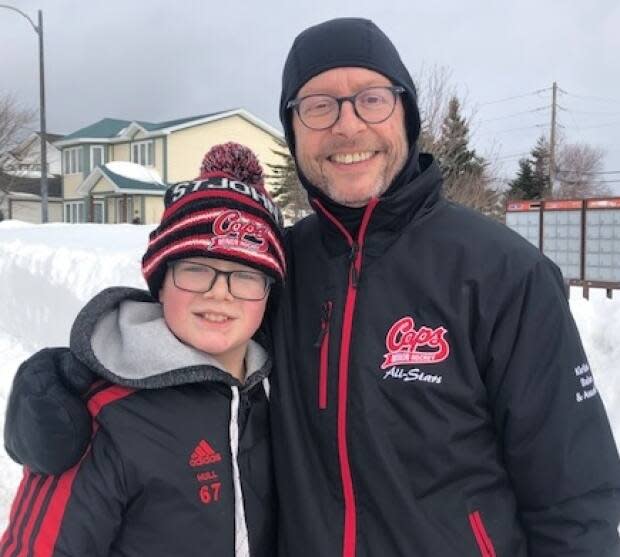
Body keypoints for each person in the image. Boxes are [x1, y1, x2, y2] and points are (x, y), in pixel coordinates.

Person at [4, 17, 620, 557]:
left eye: (371, 100)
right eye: (318, 106)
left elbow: (576, 495)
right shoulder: (277, 267)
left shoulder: (503, 273)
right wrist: (71, 380)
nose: (347, 126)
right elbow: (195, 329)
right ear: (294, 130)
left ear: (406, 111)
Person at [1, 143, 285, 557]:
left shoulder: (277, 400)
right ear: (160, 281)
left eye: (245, 275)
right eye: (196, 269)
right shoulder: (106, 417)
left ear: (268, 292)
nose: (219, 294)